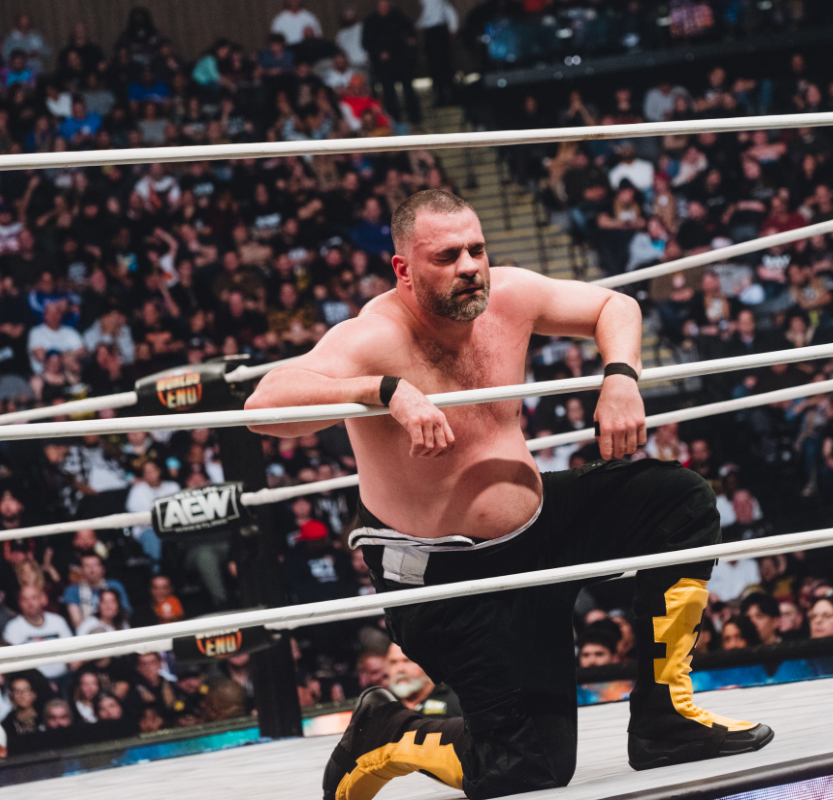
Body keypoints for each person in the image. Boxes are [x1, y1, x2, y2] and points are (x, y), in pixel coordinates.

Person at [245, 190, 772, 800]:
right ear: (404, 271)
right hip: (446, 577)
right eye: (447, 256)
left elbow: (615, 305)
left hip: (538, 533)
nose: (470, 265)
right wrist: (384, 390)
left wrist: (621, 376)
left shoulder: (509, 296)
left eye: (477, 249)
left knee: (677, 498)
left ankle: (665, 719)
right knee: (527, 767)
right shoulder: (373, 335)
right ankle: (383, 729)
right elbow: (264, 408)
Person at [2, 587, 74, 683]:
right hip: (31, 683)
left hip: (63, 678)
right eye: (25, 599)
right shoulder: (13, 627)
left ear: (43, 599)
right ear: (19, 603)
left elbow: (73, 652)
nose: (30, 603)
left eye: (33, 598)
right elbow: (10, 662)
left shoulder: (58, 621)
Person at [386, 642, 461, 717]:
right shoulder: (384, 705)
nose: (400, 669)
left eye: (407, 661)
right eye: (393, 662)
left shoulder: (457, 701)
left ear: (426, 664)